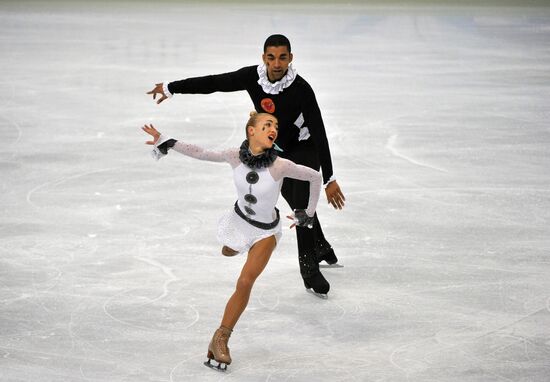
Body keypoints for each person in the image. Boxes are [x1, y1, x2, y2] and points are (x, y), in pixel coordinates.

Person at [147, 34, 345, 297]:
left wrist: (329, 178)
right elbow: (215, 83)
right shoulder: (253, 77)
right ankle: (320, 245)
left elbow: (319, 132)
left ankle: (309, 269)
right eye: (271, 57)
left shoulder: (302, 90)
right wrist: (172, 87)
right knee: (291, 195)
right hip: (275, 144)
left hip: (305, 146)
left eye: (282, 57)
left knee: (300, 202)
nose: (277, 63)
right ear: (263, 58)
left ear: (291, 58)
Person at [142, 112, 322, 370]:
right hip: (238, 222)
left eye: (276, 126)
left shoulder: (280, 165)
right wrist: (167, 141)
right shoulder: (234, 156)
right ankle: (234, 244)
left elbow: (315, 177)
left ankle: (221, 338)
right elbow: (202, 153)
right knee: (231, 247)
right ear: (251, 131)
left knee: (245, 281)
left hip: (265, 232)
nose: (273, 129)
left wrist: (309, 213)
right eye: (267, 125)